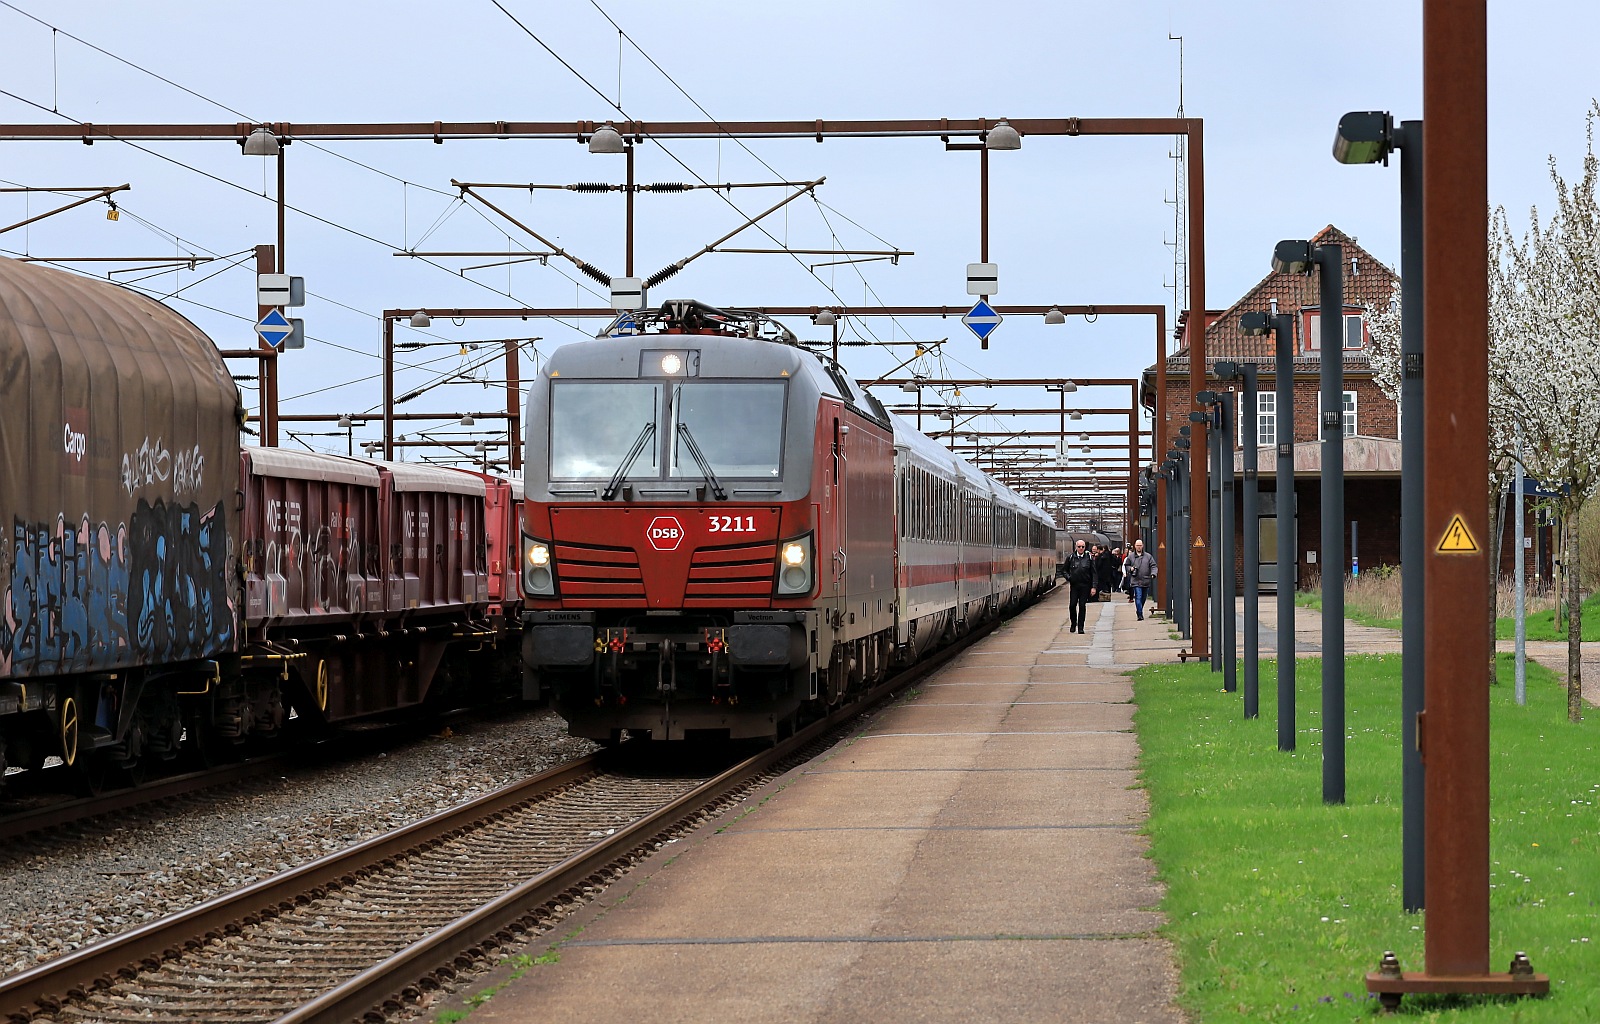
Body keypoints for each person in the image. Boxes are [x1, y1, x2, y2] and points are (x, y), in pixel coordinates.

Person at [1065, 539, 1097, 633]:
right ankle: (1073, 623)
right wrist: (1069, 578)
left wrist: (1094, 587)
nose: (1081, 548)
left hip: (1085, 585)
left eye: (1083, 547)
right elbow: (1064, 570)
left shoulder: (1089, 558)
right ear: (1076, 547)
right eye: (1079, 547)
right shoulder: (1071, 557)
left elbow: (1094, 573)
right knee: (1072, 605)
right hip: (1074, 585)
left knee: (1082, 606)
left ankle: (1081, 627)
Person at [1125, 538, 1158, 621]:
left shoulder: (1148, 556)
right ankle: (1140, 614)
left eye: (1140, 545)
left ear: (1142, 546)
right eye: (1137, 545)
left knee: (1143, 598)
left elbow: (1153, 566)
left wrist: (1153, 574)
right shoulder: (1131, 556)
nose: (1139, 547)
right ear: (1135, 546)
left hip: (1145, 580)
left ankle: (1139, 609)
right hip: (1136, 580)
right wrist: (1130, 569)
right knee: (1138, 596)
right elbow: (1126, 565)